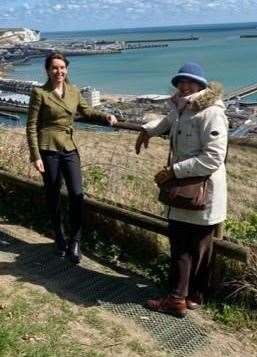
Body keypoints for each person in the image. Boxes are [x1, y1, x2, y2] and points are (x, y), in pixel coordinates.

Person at [135, 62, 228, 317]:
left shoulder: (210, 113)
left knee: (191, 246)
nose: (184, 86)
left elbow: (214, 157)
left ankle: (180, 298)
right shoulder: (182, 108)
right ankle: (190, 296)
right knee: (188, 244)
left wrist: (174, 171)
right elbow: (167, 122)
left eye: (190, 82)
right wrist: (146, 130)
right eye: (180, 82)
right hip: (187, 190)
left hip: (203, 191)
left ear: (201, 86)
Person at [26, 52, 117, 263]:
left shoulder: (74, 91)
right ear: (48, 70)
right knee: (53, 194)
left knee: (77, 194)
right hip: (48, 148)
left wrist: (107, 116)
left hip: (69, 147)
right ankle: (58, 235)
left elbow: (87, 112)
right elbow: (31, 126)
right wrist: (35, 155)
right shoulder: (39, 93)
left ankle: (75, 241)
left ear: (67, 69)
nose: (59, 71)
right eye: (54, 68)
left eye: (62, 68)